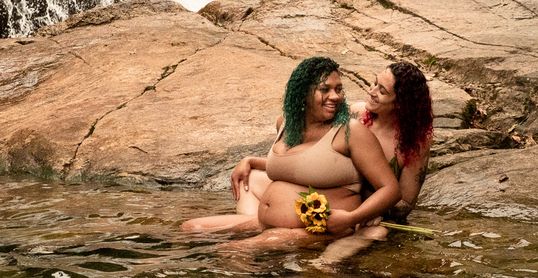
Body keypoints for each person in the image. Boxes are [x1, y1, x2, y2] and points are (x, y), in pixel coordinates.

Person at [182, 56, 399, 242]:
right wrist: (250, 161)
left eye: (339, 89)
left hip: (323, 230)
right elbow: (304, 166)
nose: (335, 96)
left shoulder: (351, 132)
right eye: (325, 89)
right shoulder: (286, 125)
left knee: (233, 250)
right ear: (302, 94)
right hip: (265, 222)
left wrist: (353, 219)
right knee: (190, 229)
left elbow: (391, 189)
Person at [312, 61, 434, 265]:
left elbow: (405, 204)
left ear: (401, 104)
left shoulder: (414, 143)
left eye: (382, 91)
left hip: (369, 218)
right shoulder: (355, 114)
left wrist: (374, 210)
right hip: (333, 196)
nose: (372, 91)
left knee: (376, 232)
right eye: (374, 83)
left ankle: (323, 264)